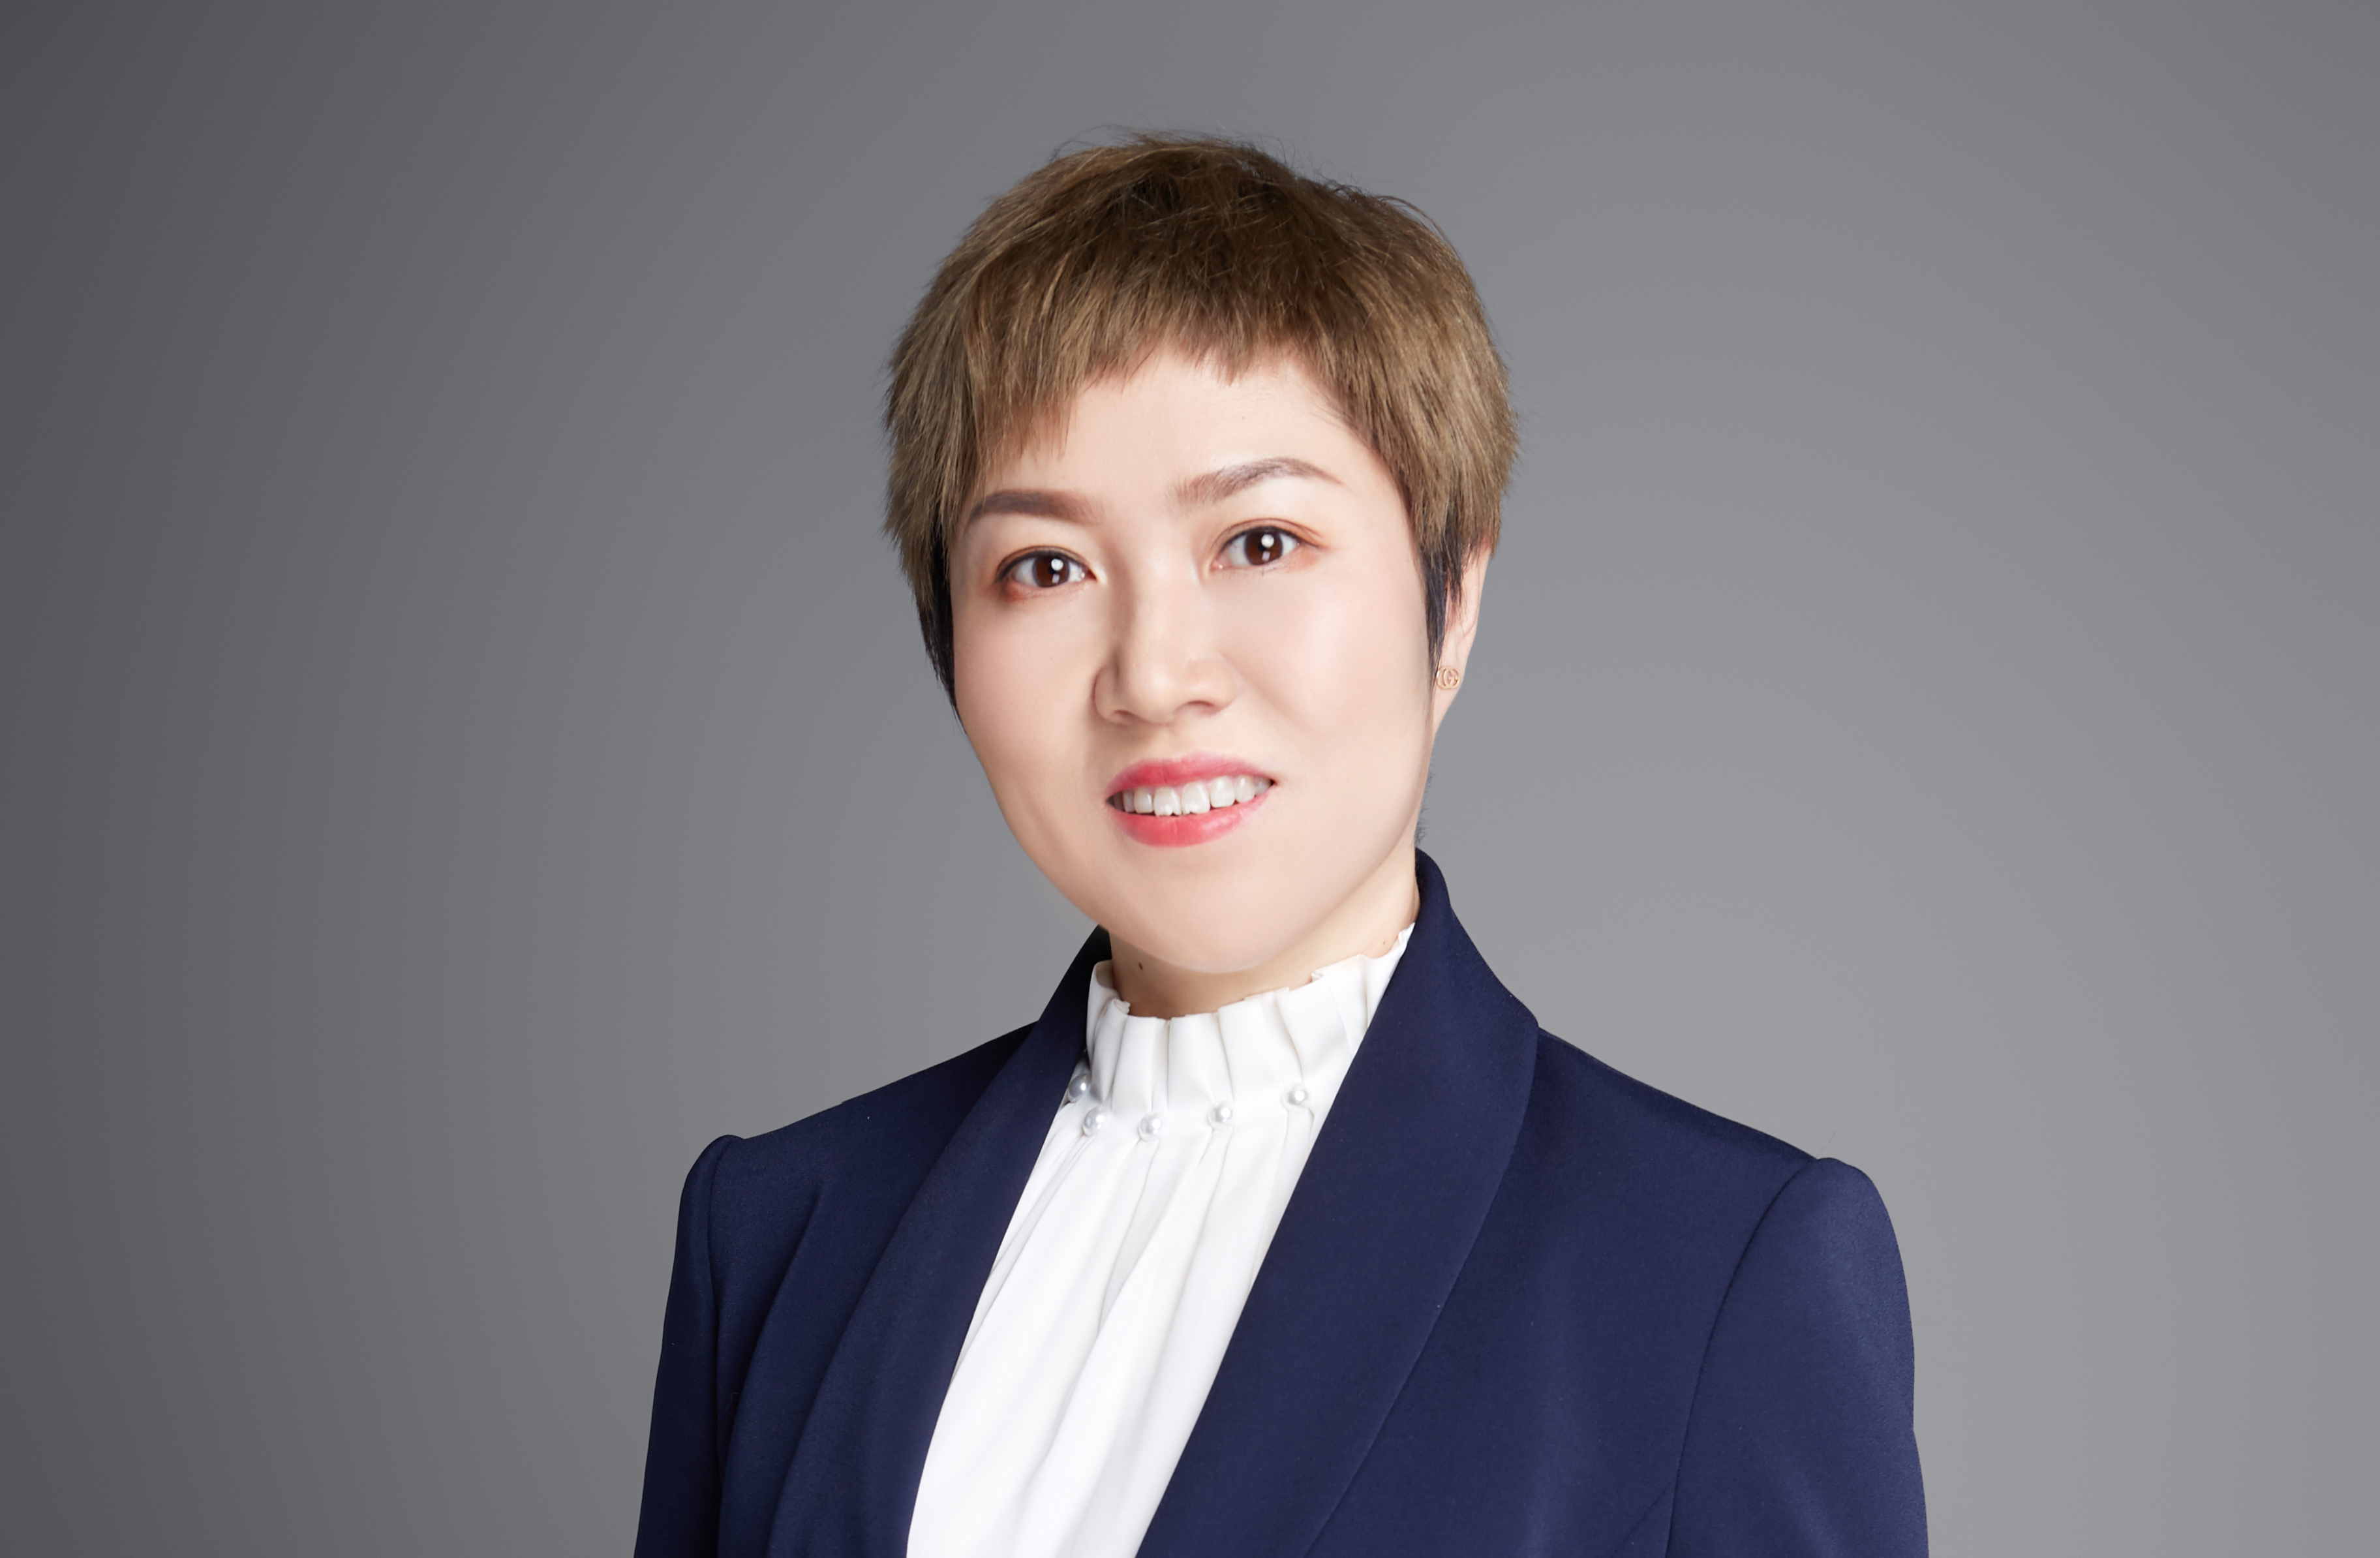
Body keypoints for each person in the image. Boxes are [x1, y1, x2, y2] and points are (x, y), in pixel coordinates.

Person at [633, 135, 1927, 1558]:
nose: (1154, 674)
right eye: (1046, 568)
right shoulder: (781, 1235)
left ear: (1453, 595)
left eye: (1258, 542)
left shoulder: (1721, 1274)